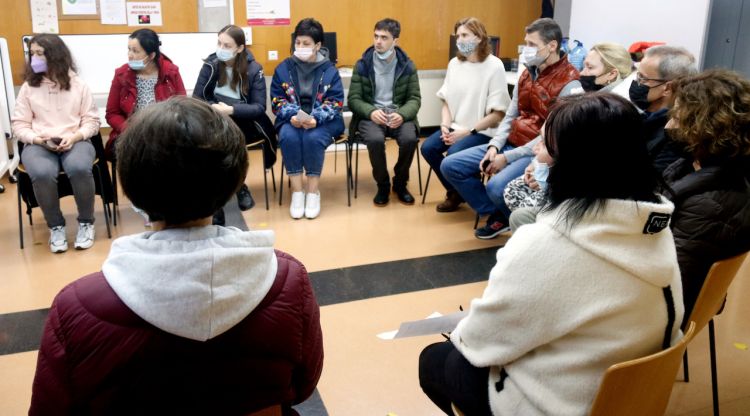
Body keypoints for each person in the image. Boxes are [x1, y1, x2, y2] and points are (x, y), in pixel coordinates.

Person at [29, 97, 324, 415]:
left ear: (131, 187)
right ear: (233, 181)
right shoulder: (287, 279)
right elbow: (302, 385)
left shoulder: (76, 306)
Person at [419, 93, 684, 416]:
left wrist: (463, 333)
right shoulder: (653, 224)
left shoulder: (543, 242)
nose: (536, 154)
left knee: (434, 359)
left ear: (571, 164)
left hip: (561, 404)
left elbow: (482, 341)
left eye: (544, 146)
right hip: (631, 396)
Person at [440, 18, 580, 240]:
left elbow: (551, 134)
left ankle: (511, 220)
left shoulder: (570, 83)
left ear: (552, 46)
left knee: (496, 187)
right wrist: (495, 146)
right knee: (450, 165)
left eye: (532, 44)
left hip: (535, 150)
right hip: (509, 141)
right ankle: (500, 215)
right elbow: (510, 115)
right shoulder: (527, 73)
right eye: (526, 43)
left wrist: (506, 158)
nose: (527, 49)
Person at [664, 69, 750, 324]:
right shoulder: (691, 167)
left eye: (677, 118)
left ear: (705, 128)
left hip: (667, 311)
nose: (668, 126)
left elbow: (674, 284)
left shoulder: (712, 203)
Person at [12, 34, 101, 253]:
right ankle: (56, 226)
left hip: (76, 140)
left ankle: (86, 223)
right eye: (32, 54)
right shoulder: (28, 87)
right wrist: (36, 139)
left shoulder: (78, 85)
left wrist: (76, 136)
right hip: (39, 144)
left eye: (40, 54)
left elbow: (92, 121)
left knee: (79, 167)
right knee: (42, 172)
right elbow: (19, 125)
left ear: (55, 56)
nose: (34, 58)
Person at [420, 17, 510, 213]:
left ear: (479, 38)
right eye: (457, 36)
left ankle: (486, 206)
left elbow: (499, 113)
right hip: (455, 126)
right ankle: (457, 191)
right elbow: (446, 100)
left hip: (482, 131)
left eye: (465, 35)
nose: (459, 40)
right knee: (428, 148)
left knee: (453, 154)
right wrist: (444, 124)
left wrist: (468, 132)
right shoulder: (455, 64)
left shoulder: (494, 66)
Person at [106, 28, 186, 226]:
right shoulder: (121, 75)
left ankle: (170, 203)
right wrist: (131, 130)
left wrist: (166, 126)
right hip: (130, 132)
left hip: (164, 129)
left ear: (151, 55)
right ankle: (146, 203)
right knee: (145, 154)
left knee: (177, 152)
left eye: (135, 51)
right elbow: (112, 113)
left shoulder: (170, 72)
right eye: (129, 50)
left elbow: (182, 105)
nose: (130, 55)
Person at [194, 24, 277, 214]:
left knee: (222, 141)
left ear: (240, 48)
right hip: (214, 119)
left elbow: (258, 107)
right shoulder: (210, 64)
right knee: (208, 142)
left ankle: (228, 192)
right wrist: (214, 109)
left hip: (244, 121)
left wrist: (231, 110)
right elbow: (197, 98)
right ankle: (232, 190)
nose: (221, 49)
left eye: (227, 45)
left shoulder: (254, 69)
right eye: (219, 43)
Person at [270, 18, 345, 219]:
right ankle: (297, 192)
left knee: (313, 138)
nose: (300, 47)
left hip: (324, 121)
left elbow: (336, 101)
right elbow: (277, 100)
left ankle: (312, 193)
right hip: (292, 119)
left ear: (318, 45)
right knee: (288, 137)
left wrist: (316, 119)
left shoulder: (329, 70)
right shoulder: (284, 68)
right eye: (298, 43)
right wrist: (293, 114)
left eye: (306, 44)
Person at [348, 18, 421, 206]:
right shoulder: (363, 64)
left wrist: (403, 114)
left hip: (398, 115)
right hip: (371, 116)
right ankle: (382, 185)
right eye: (376, 36)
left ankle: (400, 183)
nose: (378, 41)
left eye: (384, 37)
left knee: (410, 139)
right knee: (374, 140)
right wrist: (371, 111)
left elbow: (414, 99)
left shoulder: (407, 65)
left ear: (395, 41)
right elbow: (354, 99)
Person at [627, 45, 697, 173]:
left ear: (667, 88)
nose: (637, 83)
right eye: (637, 76)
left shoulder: (674, 135)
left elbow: (652, 182)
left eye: (643, 78)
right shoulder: (643, 117)